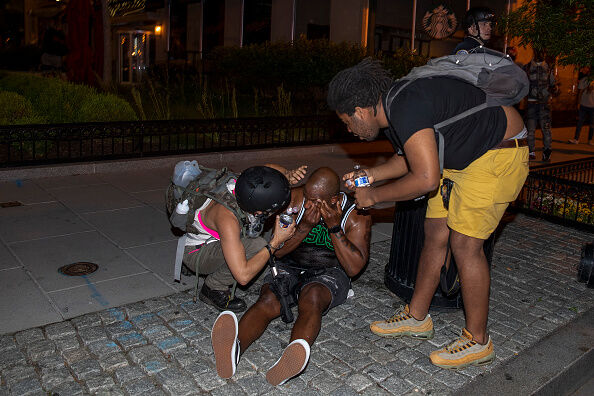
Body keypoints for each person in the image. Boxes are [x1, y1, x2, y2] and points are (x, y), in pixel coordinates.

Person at [327, 59, 529, 370]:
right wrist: (372, 174)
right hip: (462, 158)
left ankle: (478, 340)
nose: (349, 129)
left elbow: (425, 179)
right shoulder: (394, 109)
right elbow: (409, 161)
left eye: (347, 121)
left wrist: (375, 196)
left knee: (464, 245)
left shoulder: (405, 106)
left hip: (496, 153)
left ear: (361, 109)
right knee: (435, 233)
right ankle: (417, 317)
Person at [209, 167, 372, 385]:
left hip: (330, 271)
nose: (307, 204)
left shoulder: (355, 214)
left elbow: (354, 268)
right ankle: (234, 348)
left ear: (333, 200)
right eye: (307, 197)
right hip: (290, 264)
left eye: (315, 201)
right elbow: (279, 251)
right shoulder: (293, 201)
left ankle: (292, 357)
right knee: (269, 299)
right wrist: (304, 227)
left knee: (312, 298)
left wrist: (334, 228)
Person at [171, 165, 301, 313]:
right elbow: (243, 276)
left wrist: (287, 173)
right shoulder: (227, 219)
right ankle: (213, 287)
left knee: (256, 254)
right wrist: (275, 242)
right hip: (195, 251)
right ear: (259, 211)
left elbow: (265, 171)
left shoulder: (245, 185)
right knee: (258, 246)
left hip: (219, 238)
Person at [523, 50, 559, 161]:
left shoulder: (547, 68)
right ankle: (532, 151)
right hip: (534, 103)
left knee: (544, 129)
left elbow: (554, 85)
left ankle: (545, 151)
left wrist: (554, 89)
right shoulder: (528, 67)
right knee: (532, 130)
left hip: (543, 104)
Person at [569, 69, 594, 145]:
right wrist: (578, 103)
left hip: (592, 106)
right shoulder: (584, 80)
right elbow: (579, 93)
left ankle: (590, 140)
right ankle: (576, 139)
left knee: (592, 124)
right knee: (580, 122)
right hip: (583, 104)